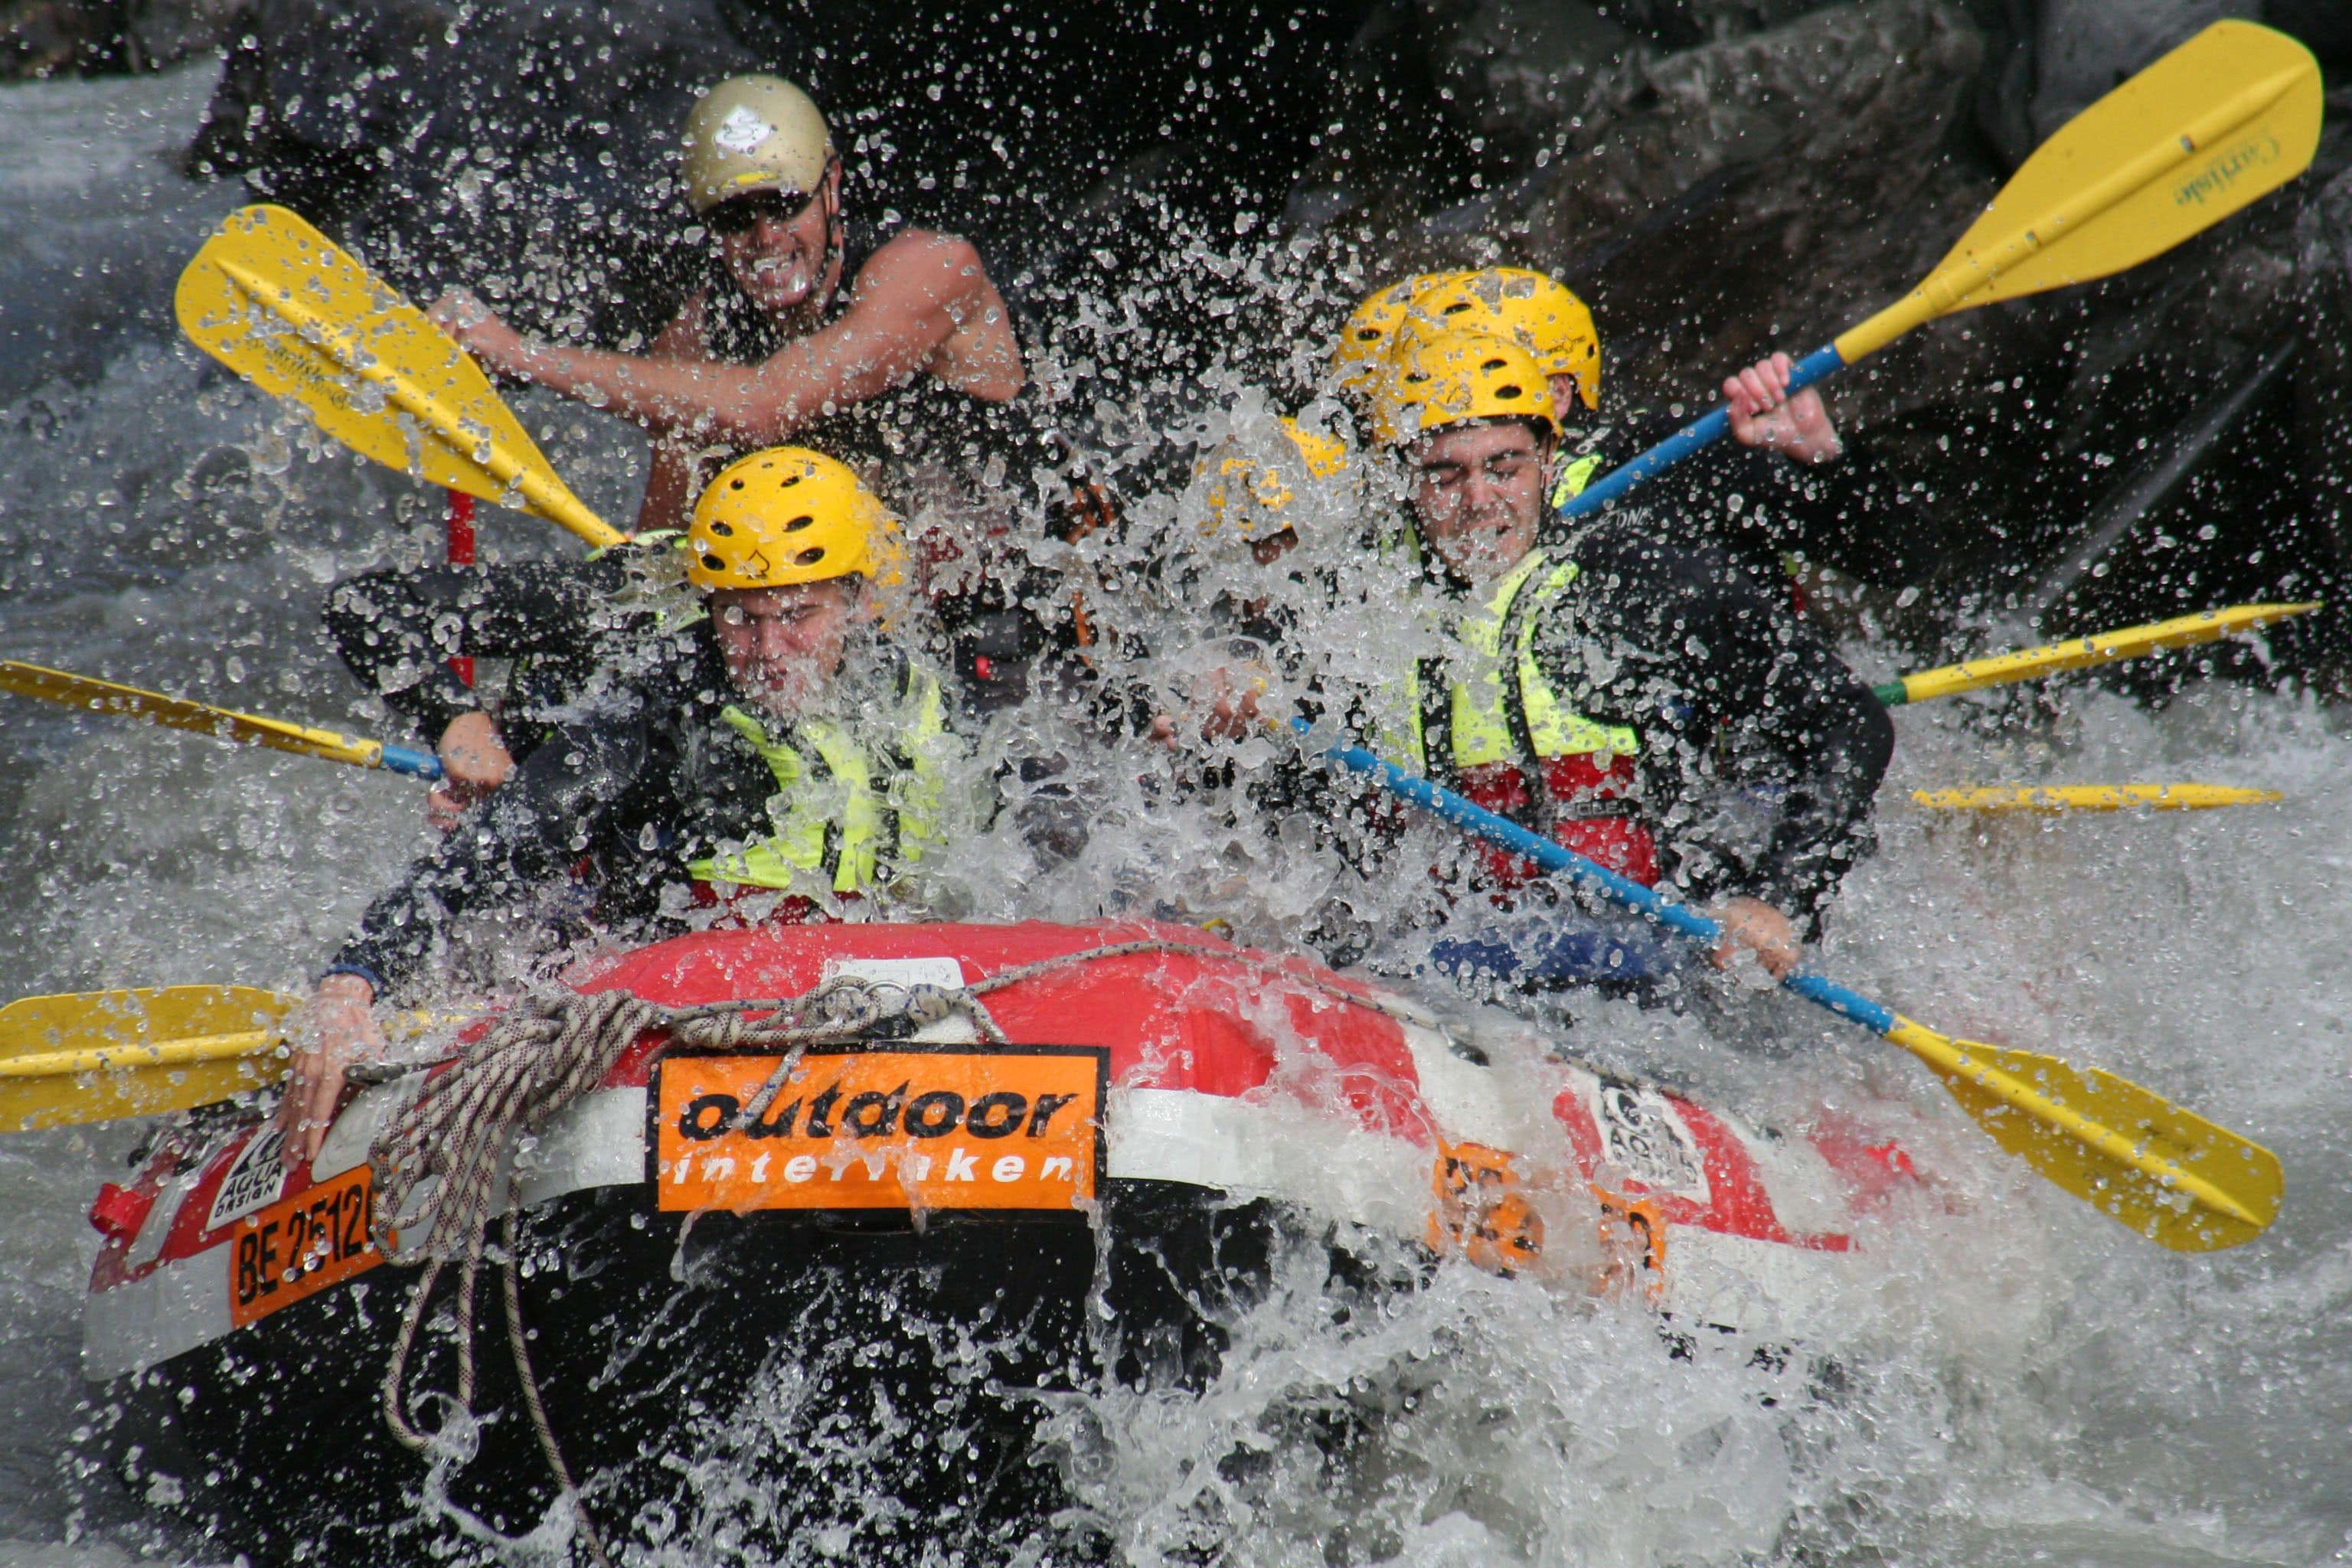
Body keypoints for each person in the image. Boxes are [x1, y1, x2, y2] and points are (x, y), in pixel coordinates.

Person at [283, 448, 1018, 1166]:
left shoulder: (923, 685)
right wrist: (355, 978)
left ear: (859, 602)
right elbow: (513, 838)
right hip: (618, 881)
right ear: (709, 603)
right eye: (740, 620)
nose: (769, 650)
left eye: (797, 616)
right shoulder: (658, 688)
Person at [1337, 329, 1893, 991]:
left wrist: (1779, 898)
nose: (1480, 501)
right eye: (1446, 474)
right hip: (1431, 957)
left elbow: (1849, 722)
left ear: (1548, 460)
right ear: (1401, 479)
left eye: (1505, 467)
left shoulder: (1632, 583)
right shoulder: (1352, 595)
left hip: (1634, 963)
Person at [426, 74, 1031, 534]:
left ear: (833, 184)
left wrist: (522, 357)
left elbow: (765, 406)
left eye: (785, 204)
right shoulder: (699, 335)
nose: (766, 239)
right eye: (736, 218)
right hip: (863, 624)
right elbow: (666, 541)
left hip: (1014, 609)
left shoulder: (930, 270)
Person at [1322, 266, 1917, 588]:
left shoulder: (1671, 458)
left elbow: (1903, 560)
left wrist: (1824, 459)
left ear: (1555, 393)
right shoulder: (1417, 514)